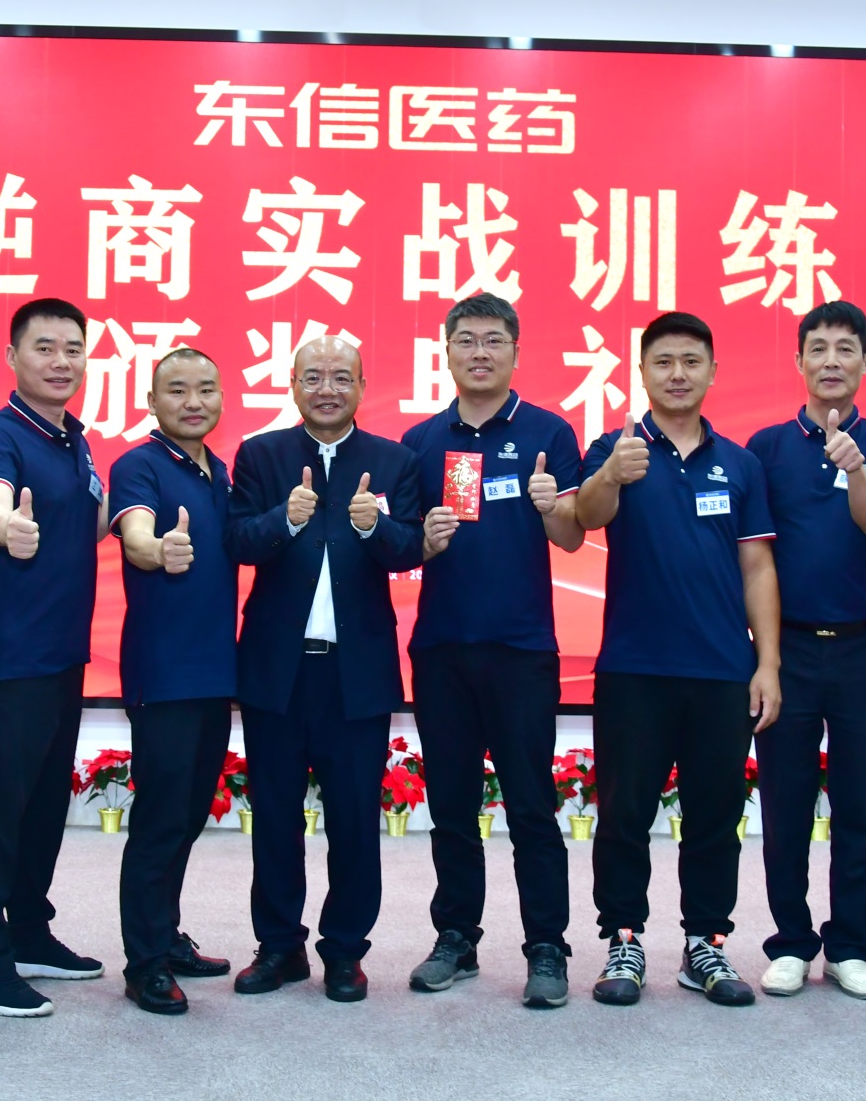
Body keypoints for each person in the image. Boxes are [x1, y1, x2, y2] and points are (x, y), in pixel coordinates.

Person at [575, 311, 782, 1008]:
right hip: (634, 667)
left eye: (691, 361)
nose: (677, 374)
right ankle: (623, 939)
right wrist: (611, 472)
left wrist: (768, 663)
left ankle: (706, 943)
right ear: (642, 372)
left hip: (722, 669)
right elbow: (585, 518)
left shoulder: (742, 464)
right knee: (624, 813)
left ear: (713, 372)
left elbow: (757, 567)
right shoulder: (615, 448)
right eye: (663, 361)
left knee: (715, 815)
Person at [224, 336, 423, 1003]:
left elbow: (412, 549)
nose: (327, 389)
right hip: (277, 670)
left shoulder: (394, 460)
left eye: (341, 377)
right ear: (292, 384)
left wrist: (373, 528)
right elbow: (237, 540)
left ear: (362, 386)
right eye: (313, 376)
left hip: (356, 673)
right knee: (275, 817)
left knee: (355, 821)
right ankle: (279, 947)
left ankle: (344, 952)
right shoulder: (261, 455)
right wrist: (284, 519)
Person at [398, 293, 582, 1009]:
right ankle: (456, 937)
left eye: (493, 340)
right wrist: (419, 541)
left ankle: (547, 946)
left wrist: (550, 505)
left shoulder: (548, 431)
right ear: (446, 351)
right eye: (467, 340)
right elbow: (401, 546)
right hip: (442, 647)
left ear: (515, 351)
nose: (480, 352)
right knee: (450, 805)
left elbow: (571, 537)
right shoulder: (419, 441)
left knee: (531, 806)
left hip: (521, 649)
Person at [745, 300, 866, 1001]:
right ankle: (790, 941)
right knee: (783, 805)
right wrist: (764, 656)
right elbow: (753, 556)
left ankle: (849, 946)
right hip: (788, 649)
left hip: (865, 648)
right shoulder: (765, 448)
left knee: (858, 804)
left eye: (846, 349)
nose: (832, 361)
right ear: (799, 361)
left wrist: (856, 468)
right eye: (818, 348)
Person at [0, 298, 110, 1018]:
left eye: (72, 349)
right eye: (44, 348)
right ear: (12, 357)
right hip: (5, 662)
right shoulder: (0, 434)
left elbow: (92, 521)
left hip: (60, 656)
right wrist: (2, 525)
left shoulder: (75, 438)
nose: (60, 362)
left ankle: (28, 933)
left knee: (43, 808)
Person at [109, 347, 239, 1015]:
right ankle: (145, 963)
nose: (194, 401)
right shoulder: (138, 465)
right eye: (178, 390)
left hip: (215, 671)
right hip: (164, 673)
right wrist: (158, 549)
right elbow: (135, 536)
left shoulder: (220, 471)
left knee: (187, 816)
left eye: (206, 389)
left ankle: (167, 935)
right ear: (153, 401)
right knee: (160, 820)